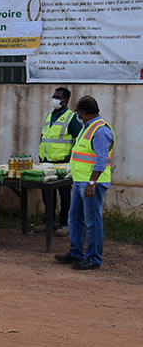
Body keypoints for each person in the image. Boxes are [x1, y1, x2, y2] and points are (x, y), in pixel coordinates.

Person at [55, 96, 115, 271]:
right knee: (74, 218)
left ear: (83, 112)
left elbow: (101, 159)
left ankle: (94, 259)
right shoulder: (87, 127)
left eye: (77, 112)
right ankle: (76, 252)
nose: (76, 115)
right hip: (81, 181)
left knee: (93, 222)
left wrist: (91, 182)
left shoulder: (101, 130)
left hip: (92, 183)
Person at [33, 87, 81, 236]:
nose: (55, 99)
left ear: (65, 101)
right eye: (54, 96)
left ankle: (64, 224)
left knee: (65, 194)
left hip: (62, 162)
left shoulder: (71, 117)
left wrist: (70, 156)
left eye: (58, 97)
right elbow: (44, 137)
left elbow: (79, 139)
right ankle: (48, 221)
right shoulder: (48, 116)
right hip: (46, 161)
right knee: (47, 193)